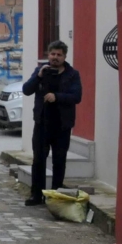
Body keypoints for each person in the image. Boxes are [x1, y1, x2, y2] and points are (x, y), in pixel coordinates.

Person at [22, 40, 82, 206]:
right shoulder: (41, 71)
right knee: (39, 159)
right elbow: (26, 90)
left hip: (62, 124)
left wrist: (58, 97)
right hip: (42, 123)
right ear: (48, 55)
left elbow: (77, 96)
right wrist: (39, 76)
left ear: (64, 57)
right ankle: (36, 194)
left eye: (59, 55)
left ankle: (55, 194)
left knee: (59, 159)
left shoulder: (72, 74)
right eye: (53, 54)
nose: (55, 57)